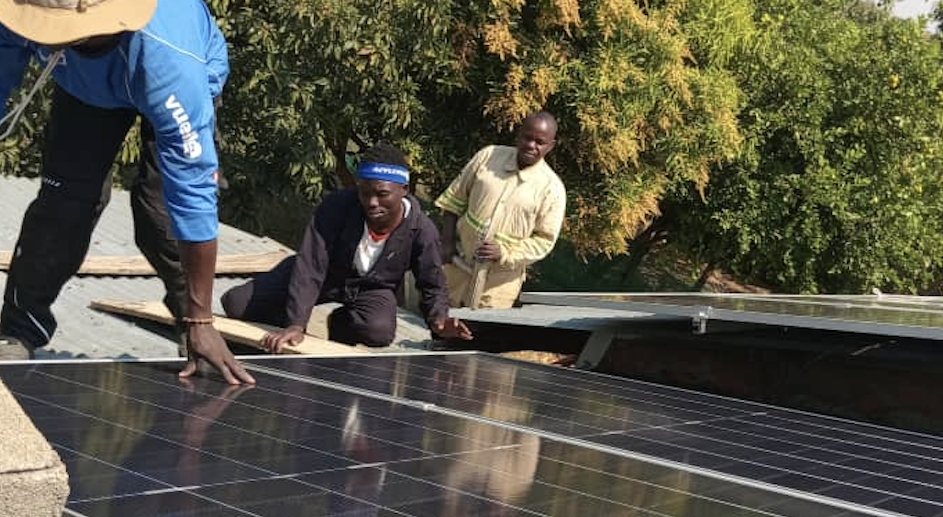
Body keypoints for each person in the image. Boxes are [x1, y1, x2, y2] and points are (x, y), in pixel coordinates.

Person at [0, 0, 252, 385]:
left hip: (167, 73)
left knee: (159, 213)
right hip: (85, 88)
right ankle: (19, 328)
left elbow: (193, 198)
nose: (44, 39)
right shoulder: (29, 10)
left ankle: (194, 326)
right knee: (62, 205)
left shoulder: (171, 64)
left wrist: (202, 318)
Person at [221, 142, 472, 352]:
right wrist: (296, 323)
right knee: (237, 303)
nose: (371, 202)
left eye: (382, 194)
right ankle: (282, 328)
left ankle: (341, 325)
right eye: (364, 193)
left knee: (379, 331)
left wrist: (439, 321)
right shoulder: (337, 207)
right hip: (326, 275)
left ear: (403, 190)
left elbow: (432, 282)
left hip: (371, 288)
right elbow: (310, 265)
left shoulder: (421, 230)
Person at [436, 111, 566, 309]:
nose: (531, 145)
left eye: (539, 142)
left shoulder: (552, 189)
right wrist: (446, 243)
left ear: (550, 146)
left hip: (498, 285)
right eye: (527, 137)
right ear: (518, 134)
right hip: (457, 268)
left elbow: (543, 242)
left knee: (477, 334)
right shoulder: (488, 156)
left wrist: (503, 252)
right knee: (437, 327)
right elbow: (454, 199)